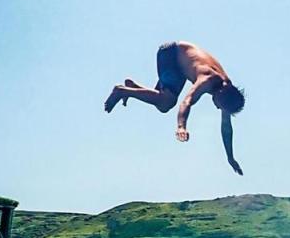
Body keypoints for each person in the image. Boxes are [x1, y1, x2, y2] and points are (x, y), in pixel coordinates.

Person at [104, 41, 245, 175]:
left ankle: (133, 87)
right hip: (170, 54)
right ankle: (122, 90)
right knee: (167, 102)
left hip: (181, 61)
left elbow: (226, 127)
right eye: (218, 105)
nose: (216, 107)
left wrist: (230, 157)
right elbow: (187, 102)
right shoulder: (206, 79)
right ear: (221, 94)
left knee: (162, 104)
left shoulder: (227, 90)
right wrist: (181, 127)